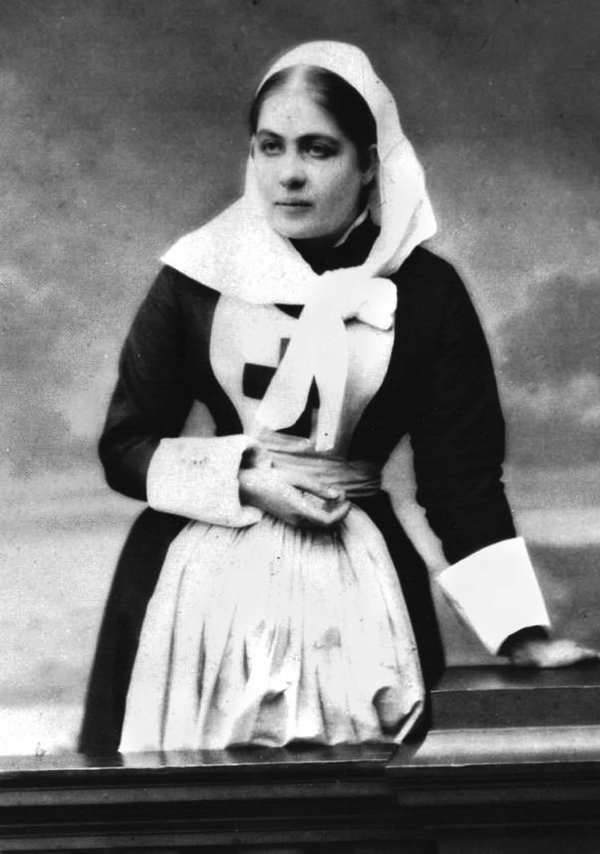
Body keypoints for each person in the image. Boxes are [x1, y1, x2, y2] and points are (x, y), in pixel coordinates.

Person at [78, 41, 598, 755]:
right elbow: (125, 447)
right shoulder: (195, 278)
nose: (288, 174)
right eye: (270, 147)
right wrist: (245, 481)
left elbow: (460, 478)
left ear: (370, 164)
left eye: (318, 150)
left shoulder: (426, 293)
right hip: (189, 591)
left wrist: (520, 632)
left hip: (363, 582)